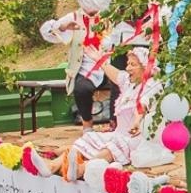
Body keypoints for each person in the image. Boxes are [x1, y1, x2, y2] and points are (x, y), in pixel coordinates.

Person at [51, 46, 164, 176]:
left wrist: (137, 122)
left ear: (145, 67)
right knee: (89, 138)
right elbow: (116, 74)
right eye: (128, 64)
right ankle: (53, 166)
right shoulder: (129, 82)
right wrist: (100, 59)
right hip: (119, 135)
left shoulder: (153, 85)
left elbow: (142, 105)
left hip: (139, 140)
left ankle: (80, 169)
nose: (127, 68)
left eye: (133, 64)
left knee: (113, 147)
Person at [40, 0, 135, 123]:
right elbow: (47, 33)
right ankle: (87, 124)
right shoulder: (73, 17)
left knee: (120, 83)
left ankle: (116, 123)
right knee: (81, 89)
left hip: (110, 64)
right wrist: (62, 26)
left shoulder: (111, 16)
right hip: (87, 68)